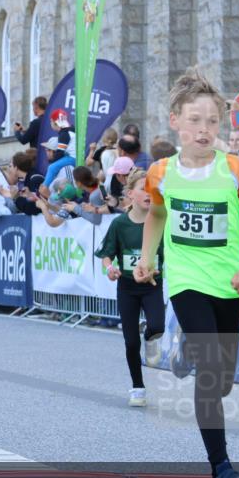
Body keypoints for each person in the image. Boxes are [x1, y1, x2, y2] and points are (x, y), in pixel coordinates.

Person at [134, 67, 239, 478]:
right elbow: (157, 214)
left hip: (229, 283)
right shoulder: (161, 172)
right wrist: (147, 257)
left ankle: (190, 350)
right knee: (211, 372)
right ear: (175, 120)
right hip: (187, 281)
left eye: (212, 121)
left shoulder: (236, 170)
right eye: (195, 120)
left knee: (224, 380)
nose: (204, 129)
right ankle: (222, 470)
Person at [95, 170, 165, 407]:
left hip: (153, 285)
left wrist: (156, 267)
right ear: (130, 193)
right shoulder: (120, 224)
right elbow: (106, 254)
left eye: (153, 189)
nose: (149, 194)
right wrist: (110, 269)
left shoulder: (161, 221)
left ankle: (150, 339)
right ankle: (138, 387)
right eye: (144, 189)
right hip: (127, 287)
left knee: (157, 327)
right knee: (131, 342)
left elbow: (170, 253)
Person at [44, 109, 77, 188]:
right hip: (73, 157)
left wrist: (53, 161)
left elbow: (60, 152)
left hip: (72, 158)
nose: (50, 124)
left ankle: (44, 186)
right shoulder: (69, 130)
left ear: (55, 122)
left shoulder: (64, 134)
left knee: (51, 168)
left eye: (51, 121)